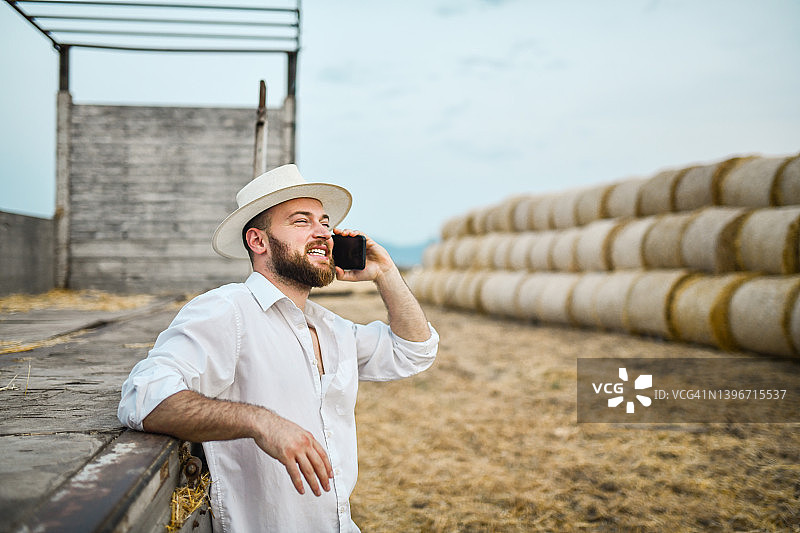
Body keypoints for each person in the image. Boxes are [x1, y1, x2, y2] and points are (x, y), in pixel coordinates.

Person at [117, 164, 439, 532]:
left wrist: (387, 274)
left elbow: (414, 351)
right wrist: (261, 422)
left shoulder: (331, 327)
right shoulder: (228, 310)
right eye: (302, 221)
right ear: (258, 241)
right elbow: (143, 395)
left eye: (324, 221)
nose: (323, 232)